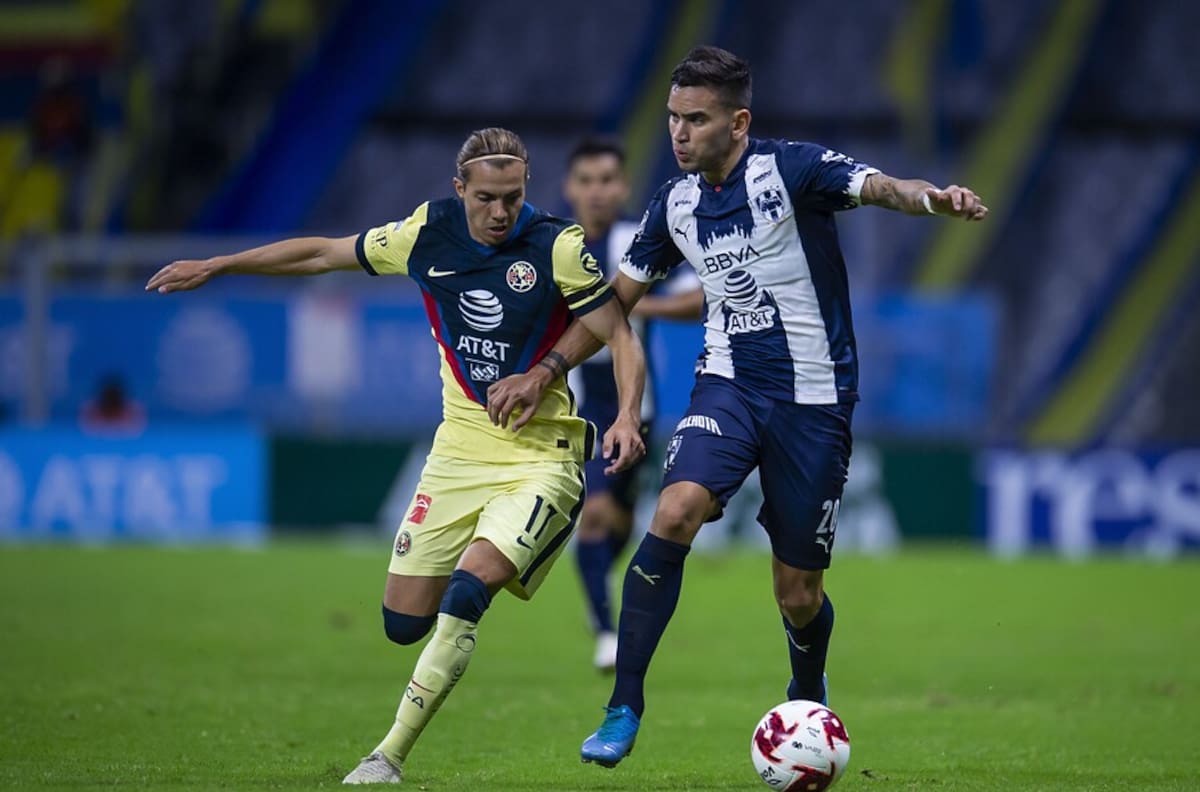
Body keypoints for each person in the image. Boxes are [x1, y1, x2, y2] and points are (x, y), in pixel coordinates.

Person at [484, 46, 988, 770]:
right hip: (727, 387)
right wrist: (546, 370)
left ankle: (807, 687)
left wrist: (933, 197)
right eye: (672, 118)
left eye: (696, 119)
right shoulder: (673, 204)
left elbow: (883, 186)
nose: (679, 133)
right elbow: (614, 306)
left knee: (799, 593)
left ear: (738, 122)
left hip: (814, 402)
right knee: (675, 509)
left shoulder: (793, 170)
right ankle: (623, 705)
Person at [145, 127, 648, 784]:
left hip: (541, 458)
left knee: (470, 590)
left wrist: (626, 413)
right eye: (487, 199)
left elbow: (620, 333)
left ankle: (387, 756)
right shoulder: (423, 234)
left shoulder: (557, 243)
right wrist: (219, 265)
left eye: (513, 197)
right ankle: (431, 656)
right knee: (403, 622)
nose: (501, 213)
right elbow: (323, 254)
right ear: (459, 189)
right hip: (458, 453)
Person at [561, 138, 703, 672]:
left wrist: (629, 306)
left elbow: (701, 294)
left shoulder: (637, 241)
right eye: (587, 180)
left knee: (615, 524)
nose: (597, 192)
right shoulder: (558, 245)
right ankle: (605, 631)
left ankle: (597, 596)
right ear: (570, 188)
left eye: (607, 181)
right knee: (594, 517)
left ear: (622, 187)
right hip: (571, 409)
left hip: (629, 405)